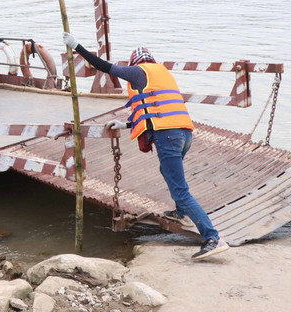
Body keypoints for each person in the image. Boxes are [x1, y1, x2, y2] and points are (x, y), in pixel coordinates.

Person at [62, 33, 229, 261]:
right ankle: (180, 212)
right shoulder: (162, 74)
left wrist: (76, 45)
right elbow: (156, 111)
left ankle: (213, 238)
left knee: (180, 189)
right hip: (184, 134)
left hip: (167, 137)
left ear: (135, 62)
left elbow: (104, 66)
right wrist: (124, 124)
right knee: (168, 173)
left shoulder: (138, 72)